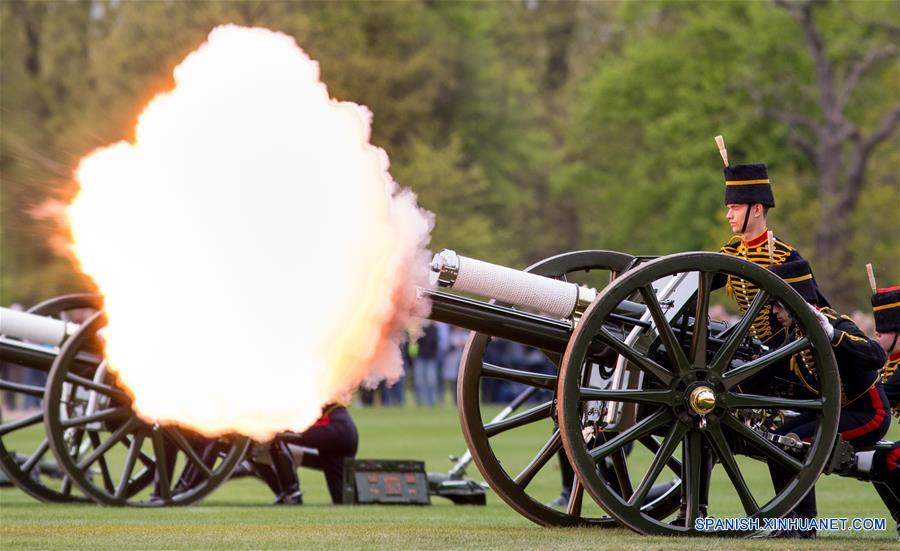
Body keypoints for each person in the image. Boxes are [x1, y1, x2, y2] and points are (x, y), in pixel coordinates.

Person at [766, 260, 889, 538]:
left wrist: (833, 336)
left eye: (778, 304)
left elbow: (876, 355)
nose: (774, 312)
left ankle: (804, 525)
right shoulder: (794, 334)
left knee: (794, 444)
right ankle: (791, 518)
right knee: (776, 440)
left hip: (869, 414)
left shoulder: (836, 322)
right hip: (834, 412)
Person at [248, 402, 359, 505]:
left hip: (332, 425)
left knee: (278, 434)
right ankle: (288, 494)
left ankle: (291, 495)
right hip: (340, 427)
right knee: (341, 495)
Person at [869, 284, 900, 539]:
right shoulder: (891, 363)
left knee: (890, 458)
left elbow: (882, 397)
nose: (876, 335)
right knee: (876, 456)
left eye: (883, 331)